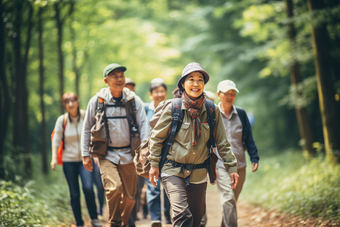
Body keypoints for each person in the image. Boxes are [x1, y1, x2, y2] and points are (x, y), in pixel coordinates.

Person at [148, 62, 239, 227]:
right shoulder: (173, 108)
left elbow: (222, 143)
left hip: (199, 173)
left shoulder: (212, 110)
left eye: (200, 80)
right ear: (183, 83)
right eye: (191, 79)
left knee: (197, 221)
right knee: (183, 215)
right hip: (172, 170)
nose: (196, 84)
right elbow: (157, 137)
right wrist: (154, 163)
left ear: (204, 84)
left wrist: (231, 167)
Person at [81, 63, 149, 227]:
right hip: (106, 155)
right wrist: (85, 155)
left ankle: (122, 222)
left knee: (130, 197)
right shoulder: (97, 101)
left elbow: (144, 125)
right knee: (114, 189)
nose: (120, 79)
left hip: (129, 155)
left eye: (121, 76)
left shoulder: (133, 100)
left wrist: (146, 148)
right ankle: (115, 223)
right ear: (106, 80)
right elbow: (86, 129)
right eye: (115, 76)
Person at [51, 92, 102, 227]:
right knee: (74, 193)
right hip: (69, 161)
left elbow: (96, 134)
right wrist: (54, 158)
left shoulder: (86, 115)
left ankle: (94, 218)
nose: (70, 104)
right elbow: (56, 139)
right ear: (64, 105)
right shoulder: (62, 120)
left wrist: (95, 154)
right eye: (67, 102)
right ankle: (79, 222)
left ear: (78, 101)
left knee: (88, 188)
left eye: (73, 101)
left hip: (86, 159)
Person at [215, 80, 259, 227]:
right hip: (221, 164)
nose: (230, 96)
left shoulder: (240, 113)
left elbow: (249, 138)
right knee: (228, 199)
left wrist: (254, 157)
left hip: (240, 165)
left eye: (233, 93)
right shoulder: (212, 114)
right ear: (218, 95)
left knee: (231, 201)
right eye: (227, 93)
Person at [145, 78, 171, 227]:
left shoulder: (171, 108)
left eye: (162, 91)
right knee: (153, 187)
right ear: (151, 94)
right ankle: (156, 219)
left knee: (169, 186)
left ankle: (167, 213)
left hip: (168, 154)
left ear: (166, 93)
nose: (159, 94)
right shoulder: (144, 109)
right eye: (156, 92)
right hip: (150, 155)